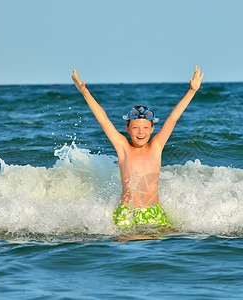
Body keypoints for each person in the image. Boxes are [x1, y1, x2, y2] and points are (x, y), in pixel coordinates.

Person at [72, 66, 204, 230]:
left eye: (145, 128)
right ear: (128, 130)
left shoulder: (156, 147)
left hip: (153, 213)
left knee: (170, 238)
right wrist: (84, 91)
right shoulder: (123, 148)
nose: (141, 132)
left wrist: (192, 91)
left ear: (152, 129)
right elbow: (103, 120)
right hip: (126, 214)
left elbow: (173, 117)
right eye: (135, 128)